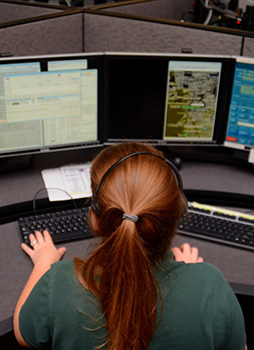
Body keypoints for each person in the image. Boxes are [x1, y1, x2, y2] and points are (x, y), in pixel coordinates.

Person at [13, 142, 247, 350]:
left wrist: (44, 262)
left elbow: (23, 335)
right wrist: (192, 276)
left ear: (94, 218)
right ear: (177, 216)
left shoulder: (60, 283)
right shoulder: (210, 286)